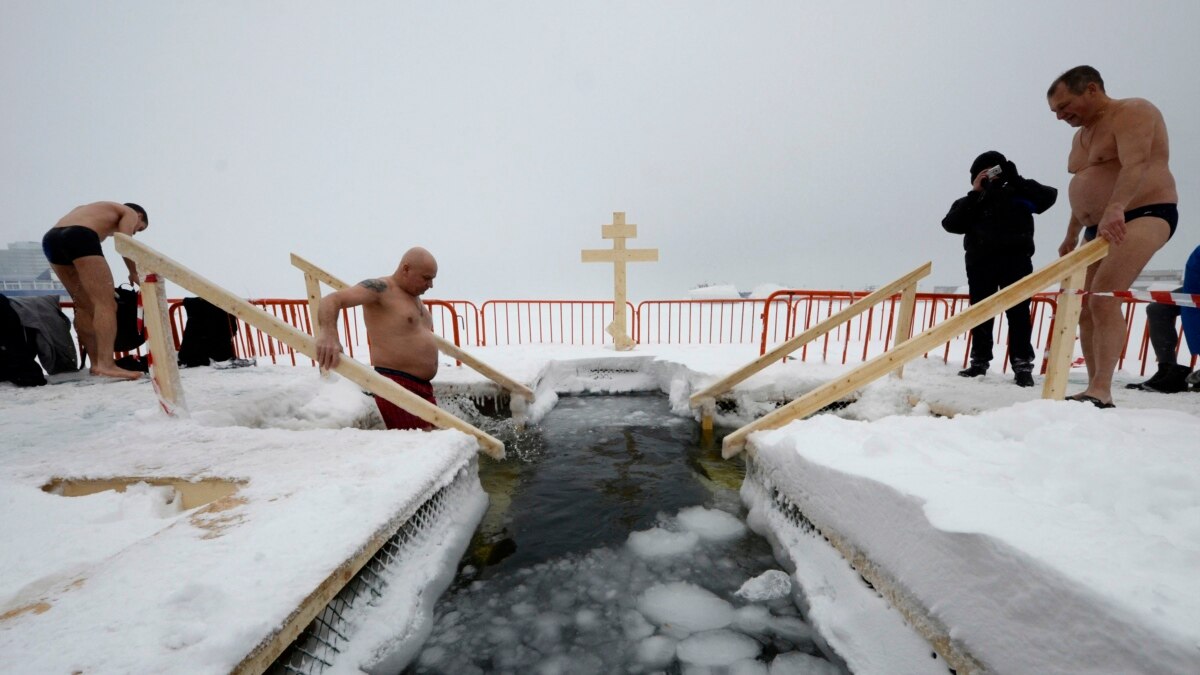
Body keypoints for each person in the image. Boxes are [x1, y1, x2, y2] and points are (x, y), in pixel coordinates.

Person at [1048, 65, 1179, 408]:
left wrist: (1117, 205)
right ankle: (1094, 387)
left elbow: (1136, 164)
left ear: (1091, 89)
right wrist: (1072, 233)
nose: (1061, 116)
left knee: (1104, 297)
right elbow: (1085, 186)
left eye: (1065, 106)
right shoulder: (1080, 137)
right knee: (1086, 305)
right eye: (1056, 111)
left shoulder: (1133, 111)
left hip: (1144, 211)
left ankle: (1102, 389)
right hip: (1099, 223)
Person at [942, 151, 1058, 387]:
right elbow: (951, 224)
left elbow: (1048, 197)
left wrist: (1016, 179)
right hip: (980, 264)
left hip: (1016, 262)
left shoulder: (1020, 193)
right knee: (980, 314)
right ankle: (979, 362)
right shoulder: (971, 201)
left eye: (995, 170)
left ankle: (1022, 365)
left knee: (1019, 315)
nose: (990, 176)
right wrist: (976, 192)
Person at [316, 247, 440, 430]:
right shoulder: (381, 289)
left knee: (437, 442)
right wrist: (328, 334)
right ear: (406, 269)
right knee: (421, 445)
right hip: (396, 384)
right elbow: (332, 300)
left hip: (423, 387)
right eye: (426, 278)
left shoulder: (414, 297)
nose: (430, 285)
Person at [42, 201, 149, 380]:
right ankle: (107, 364)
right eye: (139, 228)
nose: (135, 231)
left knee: (84, 306)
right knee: (106, 304)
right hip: (80, 236)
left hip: (51, 239)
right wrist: (133, 272)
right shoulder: (129, 212)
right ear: (139, 216)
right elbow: (125, 244)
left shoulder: (88, 209)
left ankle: (96, 364)